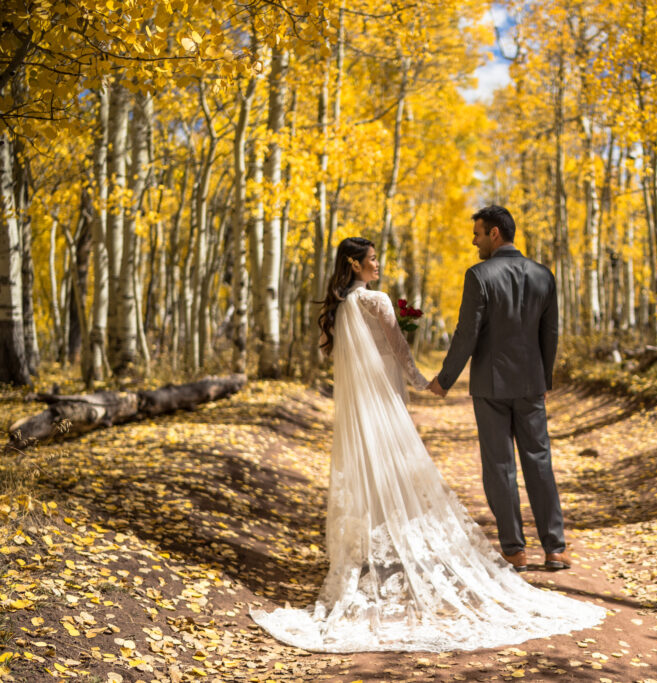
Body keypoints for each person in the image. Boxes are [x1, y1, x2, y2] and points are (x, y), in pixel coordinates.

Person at [250, 236, 603, 653]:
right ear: (355, 263)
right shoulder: (377, 300)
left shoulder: (342, 306)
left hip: (363, 401)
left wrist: (434, 374)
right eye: (372, 259)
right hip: (392, 393)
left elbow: (345, 352)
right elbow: (399, 348)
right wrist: (425, 382)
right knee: (433, 464)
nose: (377, 265)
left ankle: (397, 547)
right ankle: (550, 546)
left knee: (379, 463)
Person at [427, 205, 569, 573]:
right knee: (539, 461)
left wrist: (445, 379)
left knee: (500, 465)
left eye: (477, 233)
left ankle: (515, 550)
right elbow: (549, 334)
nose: (473, 240)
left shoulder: (479, 275)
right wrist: (544, 379)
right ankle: (554, 549)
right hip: (530, 384)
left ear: (494, 233)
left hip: (491, 385)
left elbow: (467, 334)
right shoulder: (544, 275)